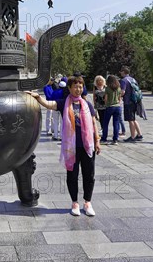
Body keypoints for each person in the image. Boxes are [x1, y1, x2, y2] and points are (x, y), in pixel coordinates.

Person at [27, 75, 101, 216]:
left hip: (87, 146)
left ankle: (87, 202)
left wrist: (97, 140)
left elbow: (93, 123)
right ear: (69, 88)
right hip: (71, 147)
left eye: (80, 86)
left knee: (89, 175)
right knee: (72, 175)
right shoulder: (64, 103)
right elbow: (49, 104)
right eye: (75, 87)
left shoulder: (87, 104)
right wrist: (37, 97)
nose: (78, 89)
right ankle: (74, 203)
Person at [120, 66, 143, 143]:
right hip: (134, 101)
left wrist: (118, 96)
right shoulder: (133, 79)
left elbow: (123, 92)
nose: (120, 73)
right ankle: (139, 135)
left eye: (121, 71)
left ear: (124, 72)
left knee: (130, 120)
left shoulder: (123, 81)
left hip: (128, 101)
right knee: (133, 119)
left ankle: (132, 136)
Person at [102, 75, 122, 145]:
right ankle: (115, 139)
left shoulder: (107, 88)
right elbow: (120, 99)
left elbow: (106, 99)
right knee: (116, 123)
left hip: (110, 106)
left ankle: (104, 138)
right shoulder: (118, 88)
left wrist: (105, 103)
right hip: (118, 107)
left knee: (105, 123)